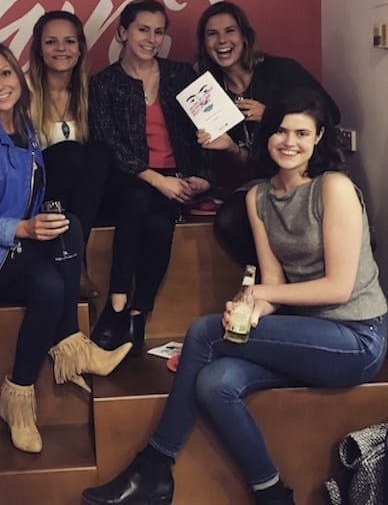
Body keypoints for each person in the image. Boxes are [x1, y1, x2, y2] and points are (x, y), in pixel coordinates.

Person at [81, 86, 387, 505]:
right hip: (306, 334)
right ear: (267, 136)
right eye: (280, 131)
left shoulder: (332, 187)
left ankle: (154, 468)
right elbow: (275, 285)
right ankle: (272, 494)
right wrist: (252, 304)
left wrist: (261, 293)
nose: (289, 142)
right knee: (214, 382)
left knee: (204, 333)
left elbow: (339, 287)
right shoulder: (260, 196)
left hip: (356, 337)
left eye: (301, 133)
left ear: (317, 138)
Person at [0, 41, 131, 455]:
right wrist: (24, 228)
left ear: (18, 77)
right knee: (58, 264)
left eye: (5, 73)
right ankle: (65, 356)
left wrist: (38, 222)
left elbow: (25, 196)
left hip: (4, 252)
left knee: (63, 249)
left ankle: (25, 392)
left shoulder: (23, 128)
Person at [89, 0, 212, 356]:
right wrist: (158, 180)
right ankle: (116, 305)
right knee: (139, 198)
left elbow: (207, 132)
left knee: (160, 225)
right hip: (128, 178)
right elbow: (107, 143)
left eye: (159, 32)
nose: (152, 39)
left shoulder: (181, 75)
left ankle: (137, 315)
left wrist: (202, 177)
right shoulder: (104, 83)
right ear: (123, 32)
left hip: (176, 179)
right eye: (143, 29)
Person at [196, 1, 341, 266]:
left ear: (245, 37)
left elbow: (331, 113)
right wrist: (230, 148)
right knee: (228, 219)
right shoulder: (211, 93)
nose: (222, 41)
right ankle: (272, 279)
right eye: (212, 34)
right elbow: (252, 161)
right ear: (204, 43)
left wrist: (273, 114)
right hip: (265, 180)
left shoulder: (281, 70)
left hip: (309, 174)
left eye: (230, 31)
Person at [29, 10, 110, 299]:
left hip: (78, 200)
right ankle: (76, 263)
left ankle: (74, 256)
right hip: (40, 191)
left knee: (99, 152)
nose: (61, 49)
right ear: (39, 49)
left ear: (80, 49)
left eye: (69, 41)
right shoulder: (23, 93)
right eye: (51, 42)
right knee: (70, 153)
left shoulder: (91, 91)